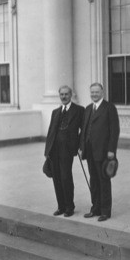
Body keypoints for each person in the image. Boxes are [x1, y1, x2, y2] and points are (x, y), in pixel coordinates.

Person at [79, 83, 120, 222]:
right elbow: (84, 130)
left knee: (104, 181)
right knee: (94, 180)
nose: (94, 95)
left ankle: (105, 211)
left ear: (102, 92)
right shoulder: (88, 108)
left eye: (97, 92)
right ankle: (95, 208)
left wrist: (111, 150)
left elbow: (114, 131)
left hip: (103, 152)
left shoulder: (109, 108)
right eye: (92, 92)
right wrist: (81, 147)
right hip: (90, 151)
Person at [44, 86, 84, 217]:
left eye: (66, 94)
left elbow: (83, 131)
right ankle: (61, 206)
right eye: (61, 94)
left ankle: (69, 207)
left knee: (66, 177)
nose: (64, 97)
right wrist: (47, 151)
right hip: (54, 150)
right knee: (56, 178)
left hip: (67, 150)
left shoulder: (79, 110)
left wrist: (78, 145)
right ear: (59, 95)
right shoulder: (55, 112)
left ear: (71, 95)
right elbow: (50, 132)